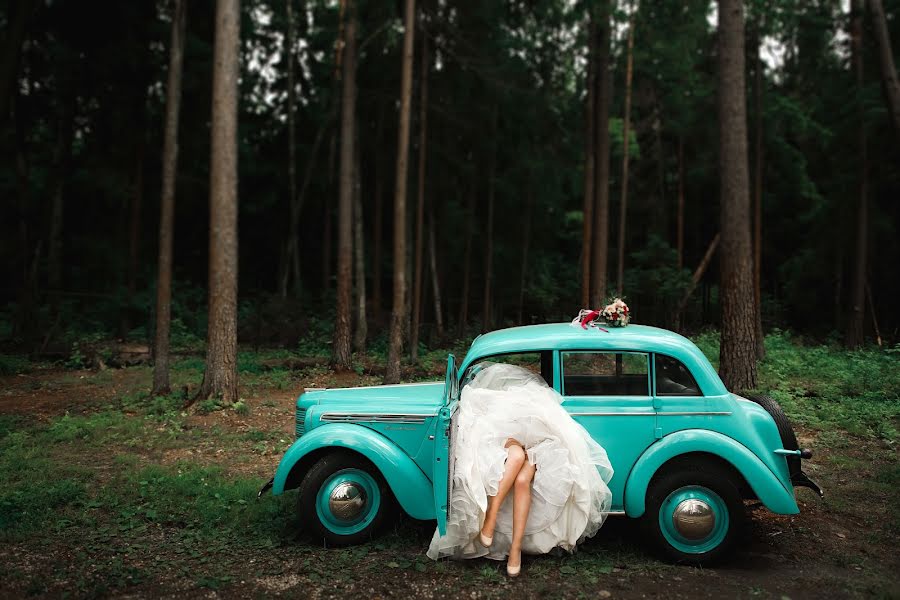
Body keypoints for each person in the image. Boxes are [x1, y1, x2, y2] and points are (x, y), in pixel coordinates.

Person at [426, 362, 614, 576]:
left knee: (523, 480)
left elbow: (551, 434)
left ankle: (514, 548)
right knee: (515, 456)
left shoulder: (539, 406)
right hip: (511, 441)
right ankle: (492, 518)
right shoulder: (498, 407)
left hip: (544, 445)